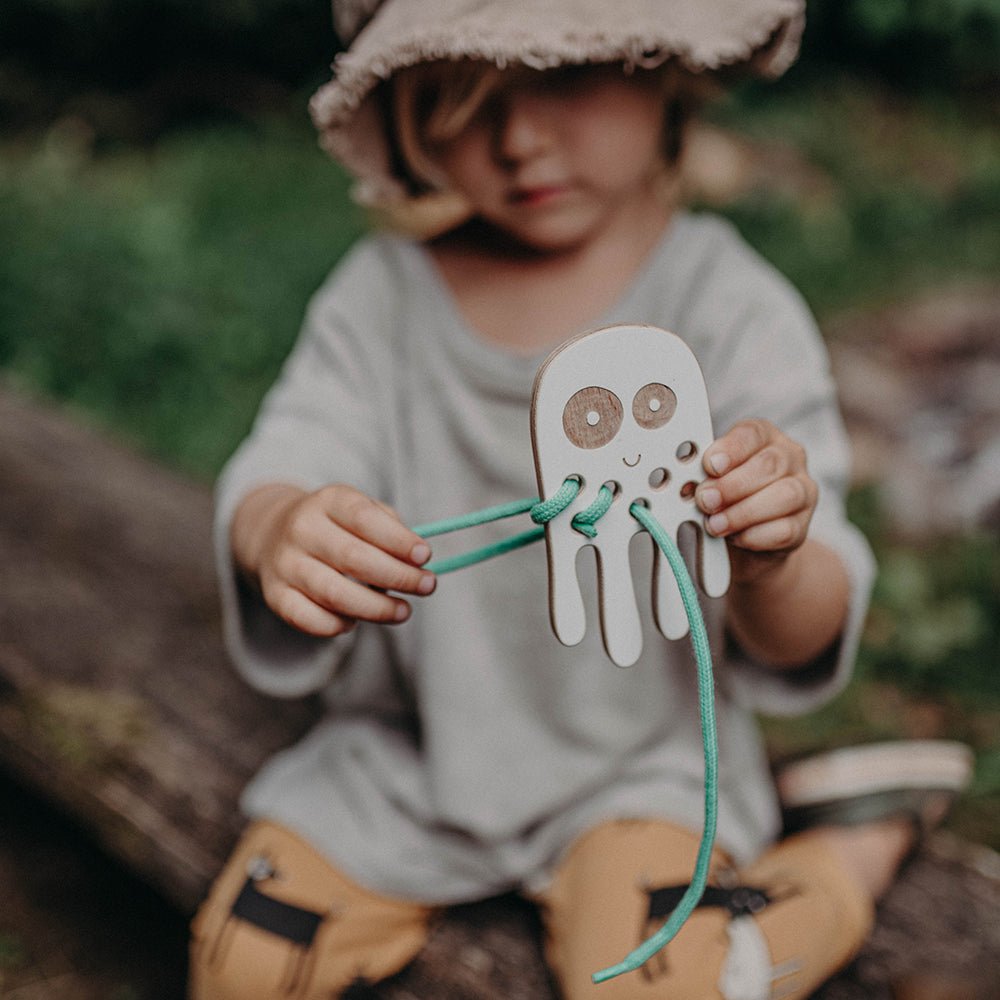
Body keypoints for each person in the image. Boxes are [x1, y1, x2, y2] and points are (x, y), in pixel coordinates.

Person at [189, 2, 973, 998]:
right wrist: (280, 528)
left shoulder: (730, 310)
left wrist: (772, 555)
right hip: (406, 762)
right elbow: (283, 461)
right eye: (463, 101)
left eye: (561, 79)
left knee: (662, 983)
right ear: (405, 116)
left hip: (641, 766)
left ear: (666, 69)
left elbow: (805, 627)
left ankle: (850, 854)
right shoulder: (378, 301)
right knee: (250, 956)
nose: (519, 140)